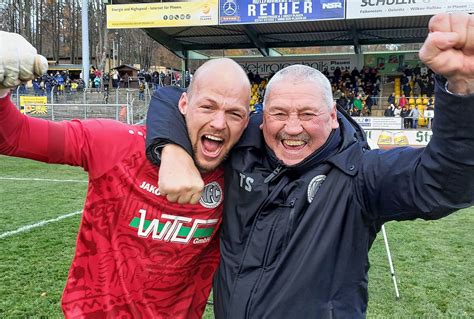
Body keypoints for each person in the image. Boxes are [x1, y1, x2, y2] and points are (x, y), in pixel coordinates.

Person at [145, 13, 474, 318]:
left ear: (332, 116)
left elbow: (446, 181)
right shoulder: (244, 145)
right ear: (261, 117)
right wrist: (171, 149)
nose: (291, 128)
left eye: (307, 114)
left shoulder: (359, 175)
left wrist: (463, 88)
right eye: (279, 114)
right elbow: (170, 98)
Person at [0, 31, 251, 318]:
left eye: (234, 114)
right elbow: (12, 135)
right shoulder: (115, 143)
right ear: (183, 104)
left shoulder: (242, 172)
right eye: (207, 106)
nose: (219, 123)